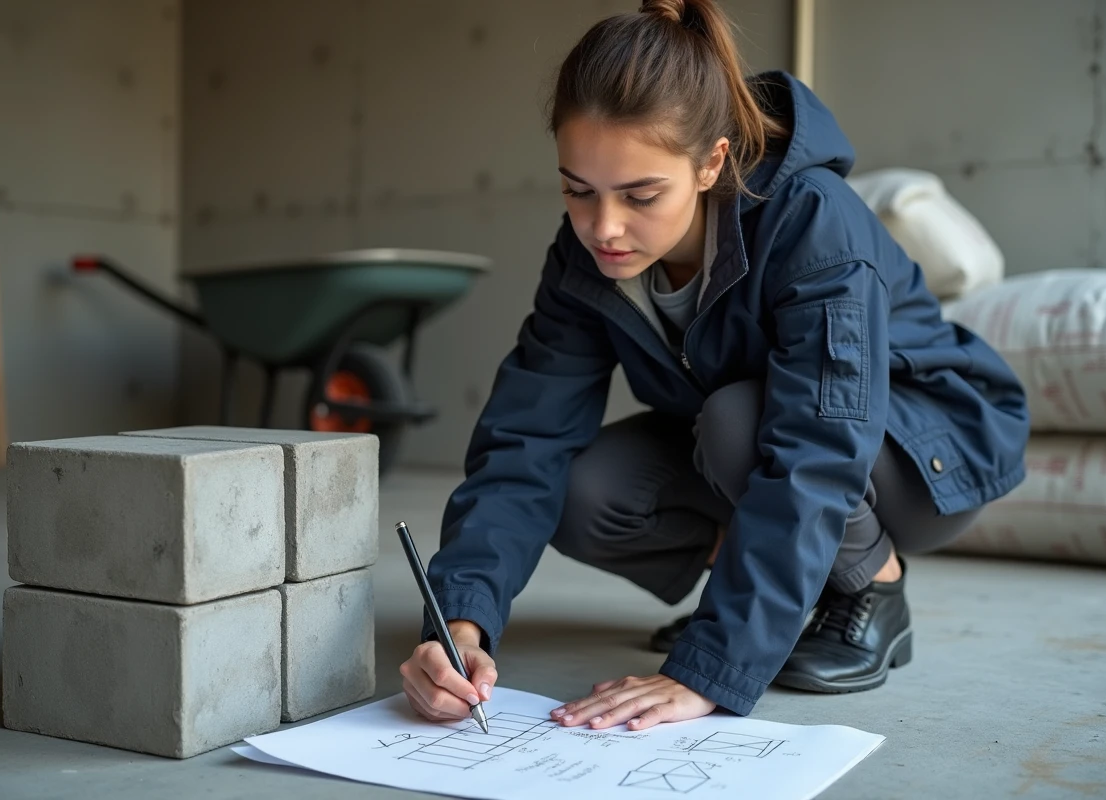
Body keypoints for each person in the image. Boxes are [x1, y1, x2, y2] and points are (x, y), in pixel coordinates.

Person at [398, 0, 1028, 732]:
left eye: (640, 195)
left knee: (738, 421)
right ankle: (770, 595)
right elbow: (526, 439)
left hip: (925, 450)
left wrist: (710, 669)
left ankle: (873, 586)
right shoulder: (585, 258)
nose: (604, 227)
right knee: (583, 487)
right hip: (764, 437)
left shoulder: (809, 218)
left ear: (711, 162)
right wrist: (460, 624)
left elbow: (819, 449)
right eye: (577, 190)